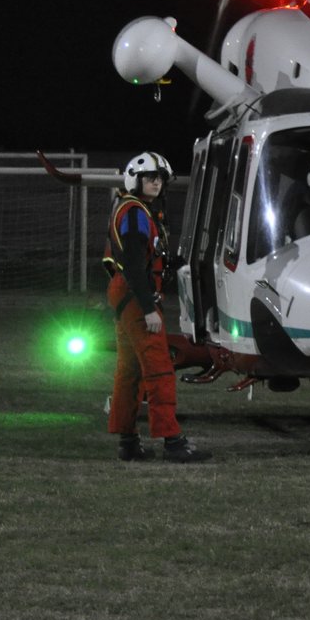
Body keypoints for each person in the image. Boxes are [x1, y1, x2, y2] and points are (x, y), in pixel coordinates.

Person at [103, 151, 210, 464]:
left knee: (130, 371)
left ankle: (128, 440)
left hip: (127, 294)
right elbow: (134, 263)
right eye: (150, 177)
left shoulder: (133, 209)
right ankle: (172, 441)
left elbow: (140, 258)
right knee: (159, 368)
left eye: (160, 178)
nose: (156, 183)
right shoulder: (135, 212)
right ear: (135, 179)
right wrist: (149, 307)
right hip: (137, 296)